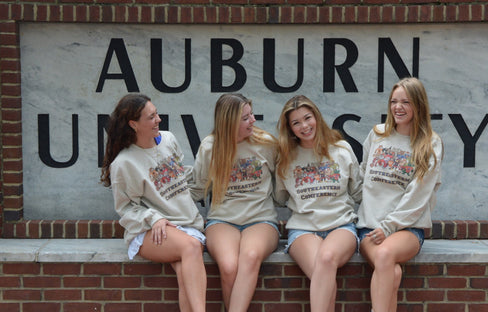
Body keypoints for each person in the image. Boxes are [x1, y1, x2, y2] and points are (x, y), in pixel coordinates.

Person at [100, 94, 207, 312]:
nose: (158, 119)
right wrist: (154, 218)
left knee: (183, 270)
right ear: (134, 124)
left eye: (156, 113)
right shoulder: (123, 163)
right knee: (191, 247)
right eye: (151, 117)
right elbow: (126, 209)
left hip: (187, 223)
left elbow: (181, 178)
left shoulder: (168, 139)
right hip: (151, 231)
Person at [357, 77, 443, 312]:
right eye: (394, 101)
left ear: (418, 105)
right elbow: (362, 176)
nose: (398, 107)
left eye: (405, 101)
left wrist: (389, 226)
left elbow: (419, 194)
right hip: (369, 228)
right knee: (391, 271)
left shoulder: (430, 144)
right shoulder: (377, 134)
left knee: (385, 255)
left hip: (407, 228)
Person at [189, 93, 279, 312]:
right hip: (223, 220)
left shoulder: (266, 143)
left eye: (251, 114)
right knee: (228, 267)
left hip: (261, 219)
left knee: (250, 256)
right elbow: (198, 189)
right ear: (230, 122)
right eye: (246, 117)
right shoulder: (210, 147)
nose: (253, 120)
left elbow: (284, 184)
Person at [275, 95, 360, 312]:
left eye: (307, 118)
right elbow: (280, 198)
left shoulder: (341, 149)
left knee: (327, 257)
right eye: (296, 123)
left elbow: (358, 191)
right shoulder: (286, 157)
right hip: (303, 230)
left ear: (317, 117)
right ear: (290, 128)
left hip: (341, 226)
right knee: (323, 272)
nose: (304, 126)